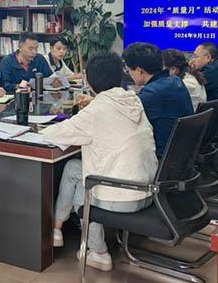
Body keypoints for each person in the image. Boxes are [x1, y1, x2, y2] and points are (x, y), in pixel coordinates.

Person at [43, 51, 157, 272]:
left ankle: (99, 252)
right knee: (73, 168)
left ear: (89, 82)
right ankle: (57, 228)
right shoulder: (132, 99)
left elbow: (53, 135)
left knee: (84, 185)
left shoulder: (96, 111)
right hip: (148, 188)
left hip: (122, 196)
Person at [123, 42, 194, 157]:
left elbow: (127, 117)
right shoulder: (175, 81)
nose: (129, 74)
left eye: (128, 70)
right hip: (181, 153)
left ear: (139, 70)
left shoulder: (152, 93)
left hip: (161, 156)